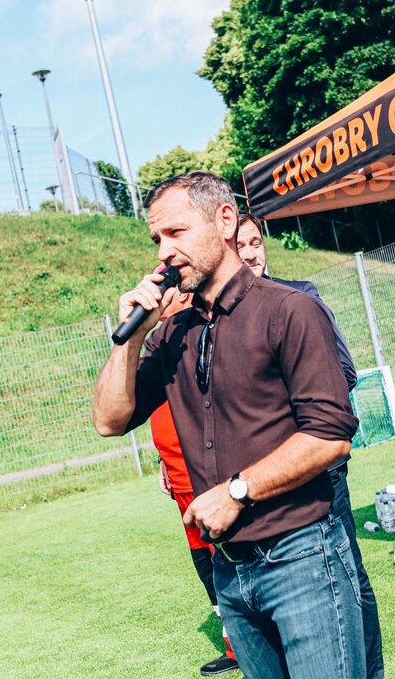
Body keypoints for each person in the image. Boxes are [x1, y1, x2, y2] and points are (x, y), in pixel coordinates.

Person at [94, 171, 366, 678]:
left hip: (303, 556)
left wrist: (236, 492)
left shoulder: (289, 309)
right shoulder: (172, 334)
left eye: (176, 232)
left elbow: (330, 437)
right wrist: (130, 339)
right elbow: (110, 421)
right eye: (156, 239)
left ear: (224, 221)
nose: (163, 252)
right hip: (231, 571)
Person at [236, 212, 383, 678]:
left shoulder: (298, 296)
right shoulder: (220, 320)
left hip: (316, 467)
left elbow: (345, 372)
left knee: (348, 575)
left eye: (256, 242)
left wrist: (287, 419)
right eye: (240, 245)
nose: (250, 253)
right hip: (261, 480)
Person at [150, 290, 239, 677]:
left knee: (229, 559)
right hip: (178, 477)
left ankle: (250, 640)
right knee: (206, 564)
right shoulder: (161, 342)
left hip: (208, 476)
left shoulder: (200, 334)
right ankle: (234, 644)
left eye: (165, 290)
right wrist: (161, 459)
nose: (157, 299)